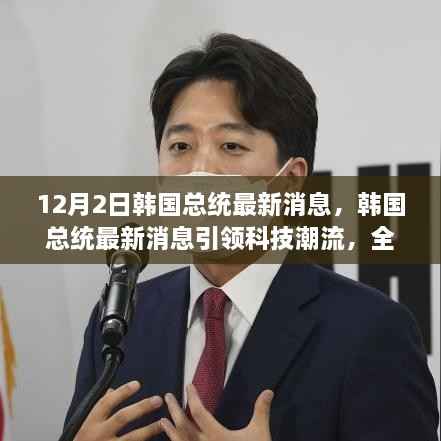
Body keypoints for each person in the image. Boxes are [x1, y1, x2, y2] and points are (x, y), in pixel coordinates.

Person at [64, 33, 439, 441]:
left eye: (231, 146)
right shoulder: (121, 321)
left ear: (290, 180)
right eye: (181, 146)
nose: (199, 171)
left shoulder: (371, 331)